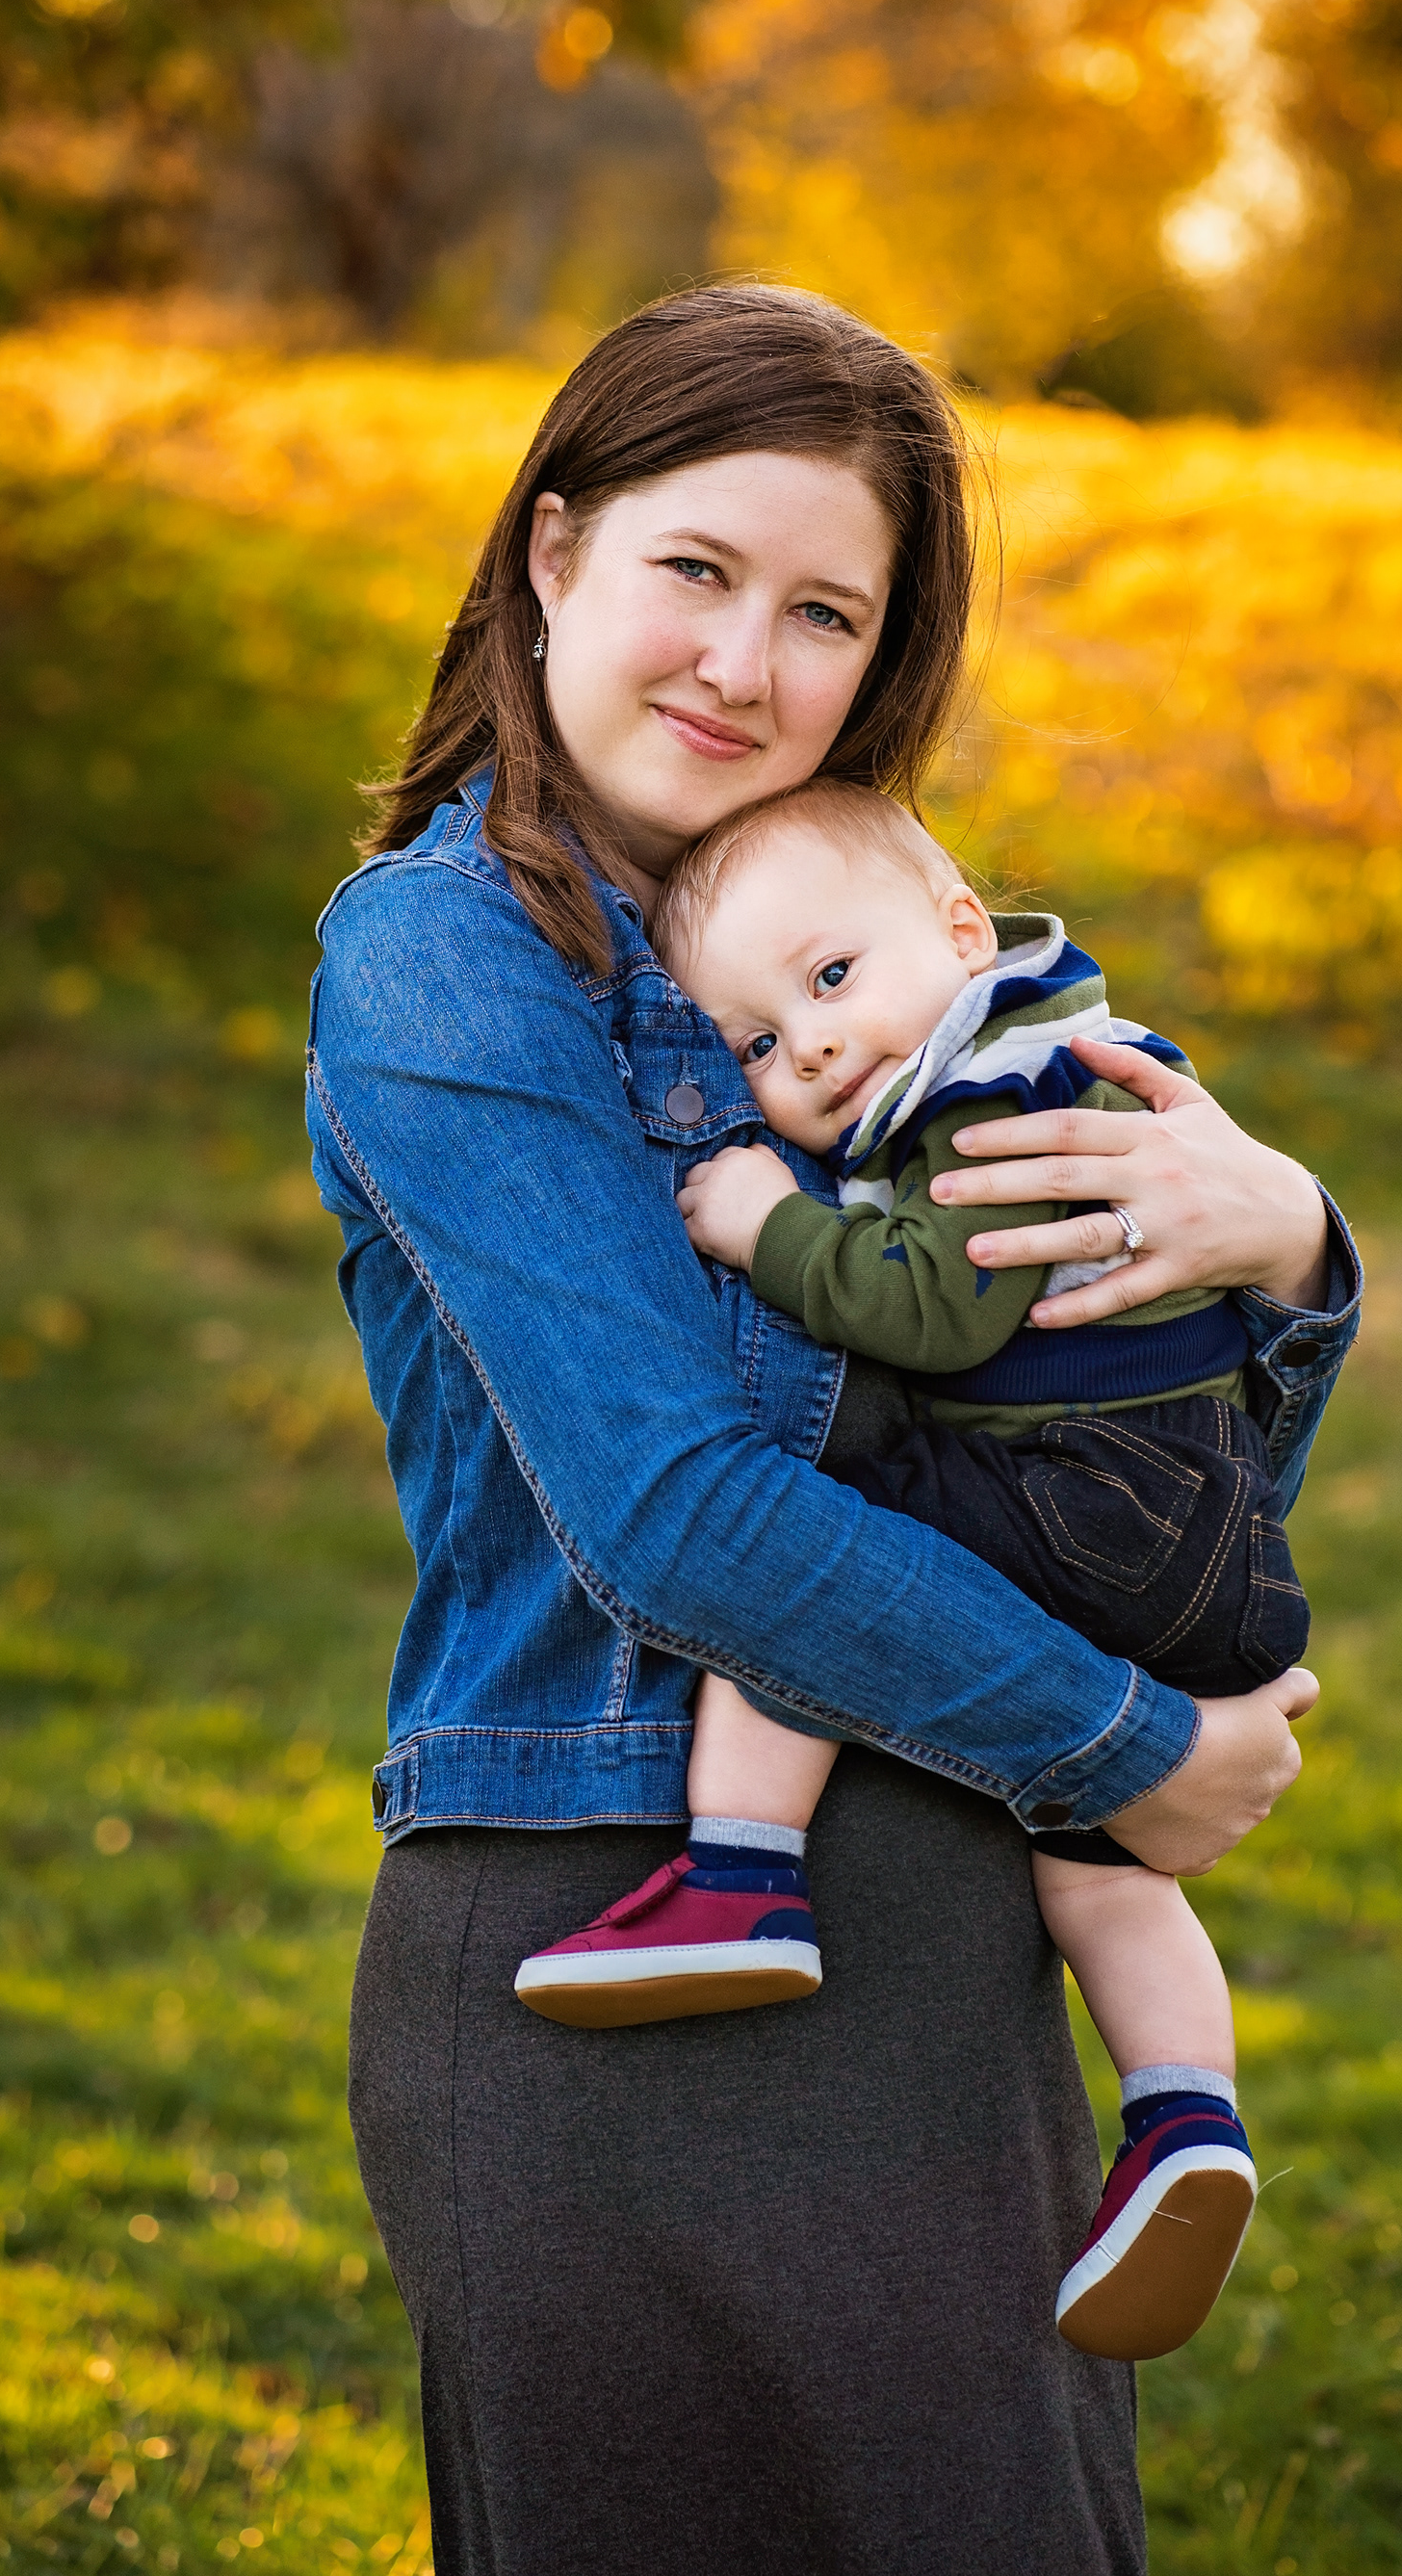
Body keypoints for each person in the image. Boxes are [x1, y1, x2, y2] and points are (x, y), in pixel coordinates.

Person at [312, 284, 1361, 2576]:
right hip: (594, 1899)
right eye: (697, 568)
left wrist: (1283, 1247)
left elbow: (1121, 1464)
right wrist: (1121, 1748)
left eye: (824, 614)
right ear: (553, 552)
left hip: (938, 1907)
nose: (743, 663)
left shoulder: (888, 986)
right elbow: (676, 1518)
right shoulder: (441, 963)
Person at [514, 780, 1312, 2367]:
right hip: (1193, 1530)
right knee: (1099, 1874)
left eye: (826, 981)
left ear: (961, 933)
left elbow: (935, 1314)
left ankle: (741, 1867)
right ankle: (1182, 2127)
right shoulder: (1051, 1044)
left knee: (804, 1537)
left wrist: (760, 1225)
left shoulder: (990, 1097)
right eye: (754, 1043)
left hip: (1091, 1499)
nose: (803, 1052)